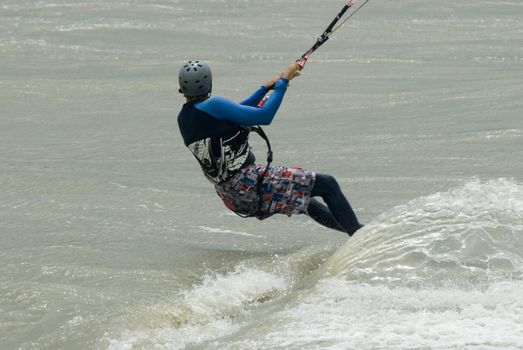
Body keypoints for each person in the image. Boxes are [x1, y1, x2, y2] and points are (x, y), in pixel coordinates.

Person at [177, 60, 363, 235]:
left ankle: (356, 231)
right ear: (209, 83)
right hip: (248, 184)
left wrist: (265, 88)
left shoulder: (184, 118)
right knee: (327, 184)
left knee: (305, 200)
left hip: (232, 196)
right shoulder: (213, 104)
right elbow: (264, 116)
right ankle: (360, 235)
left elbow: (235, 111)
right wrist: (282, 83)